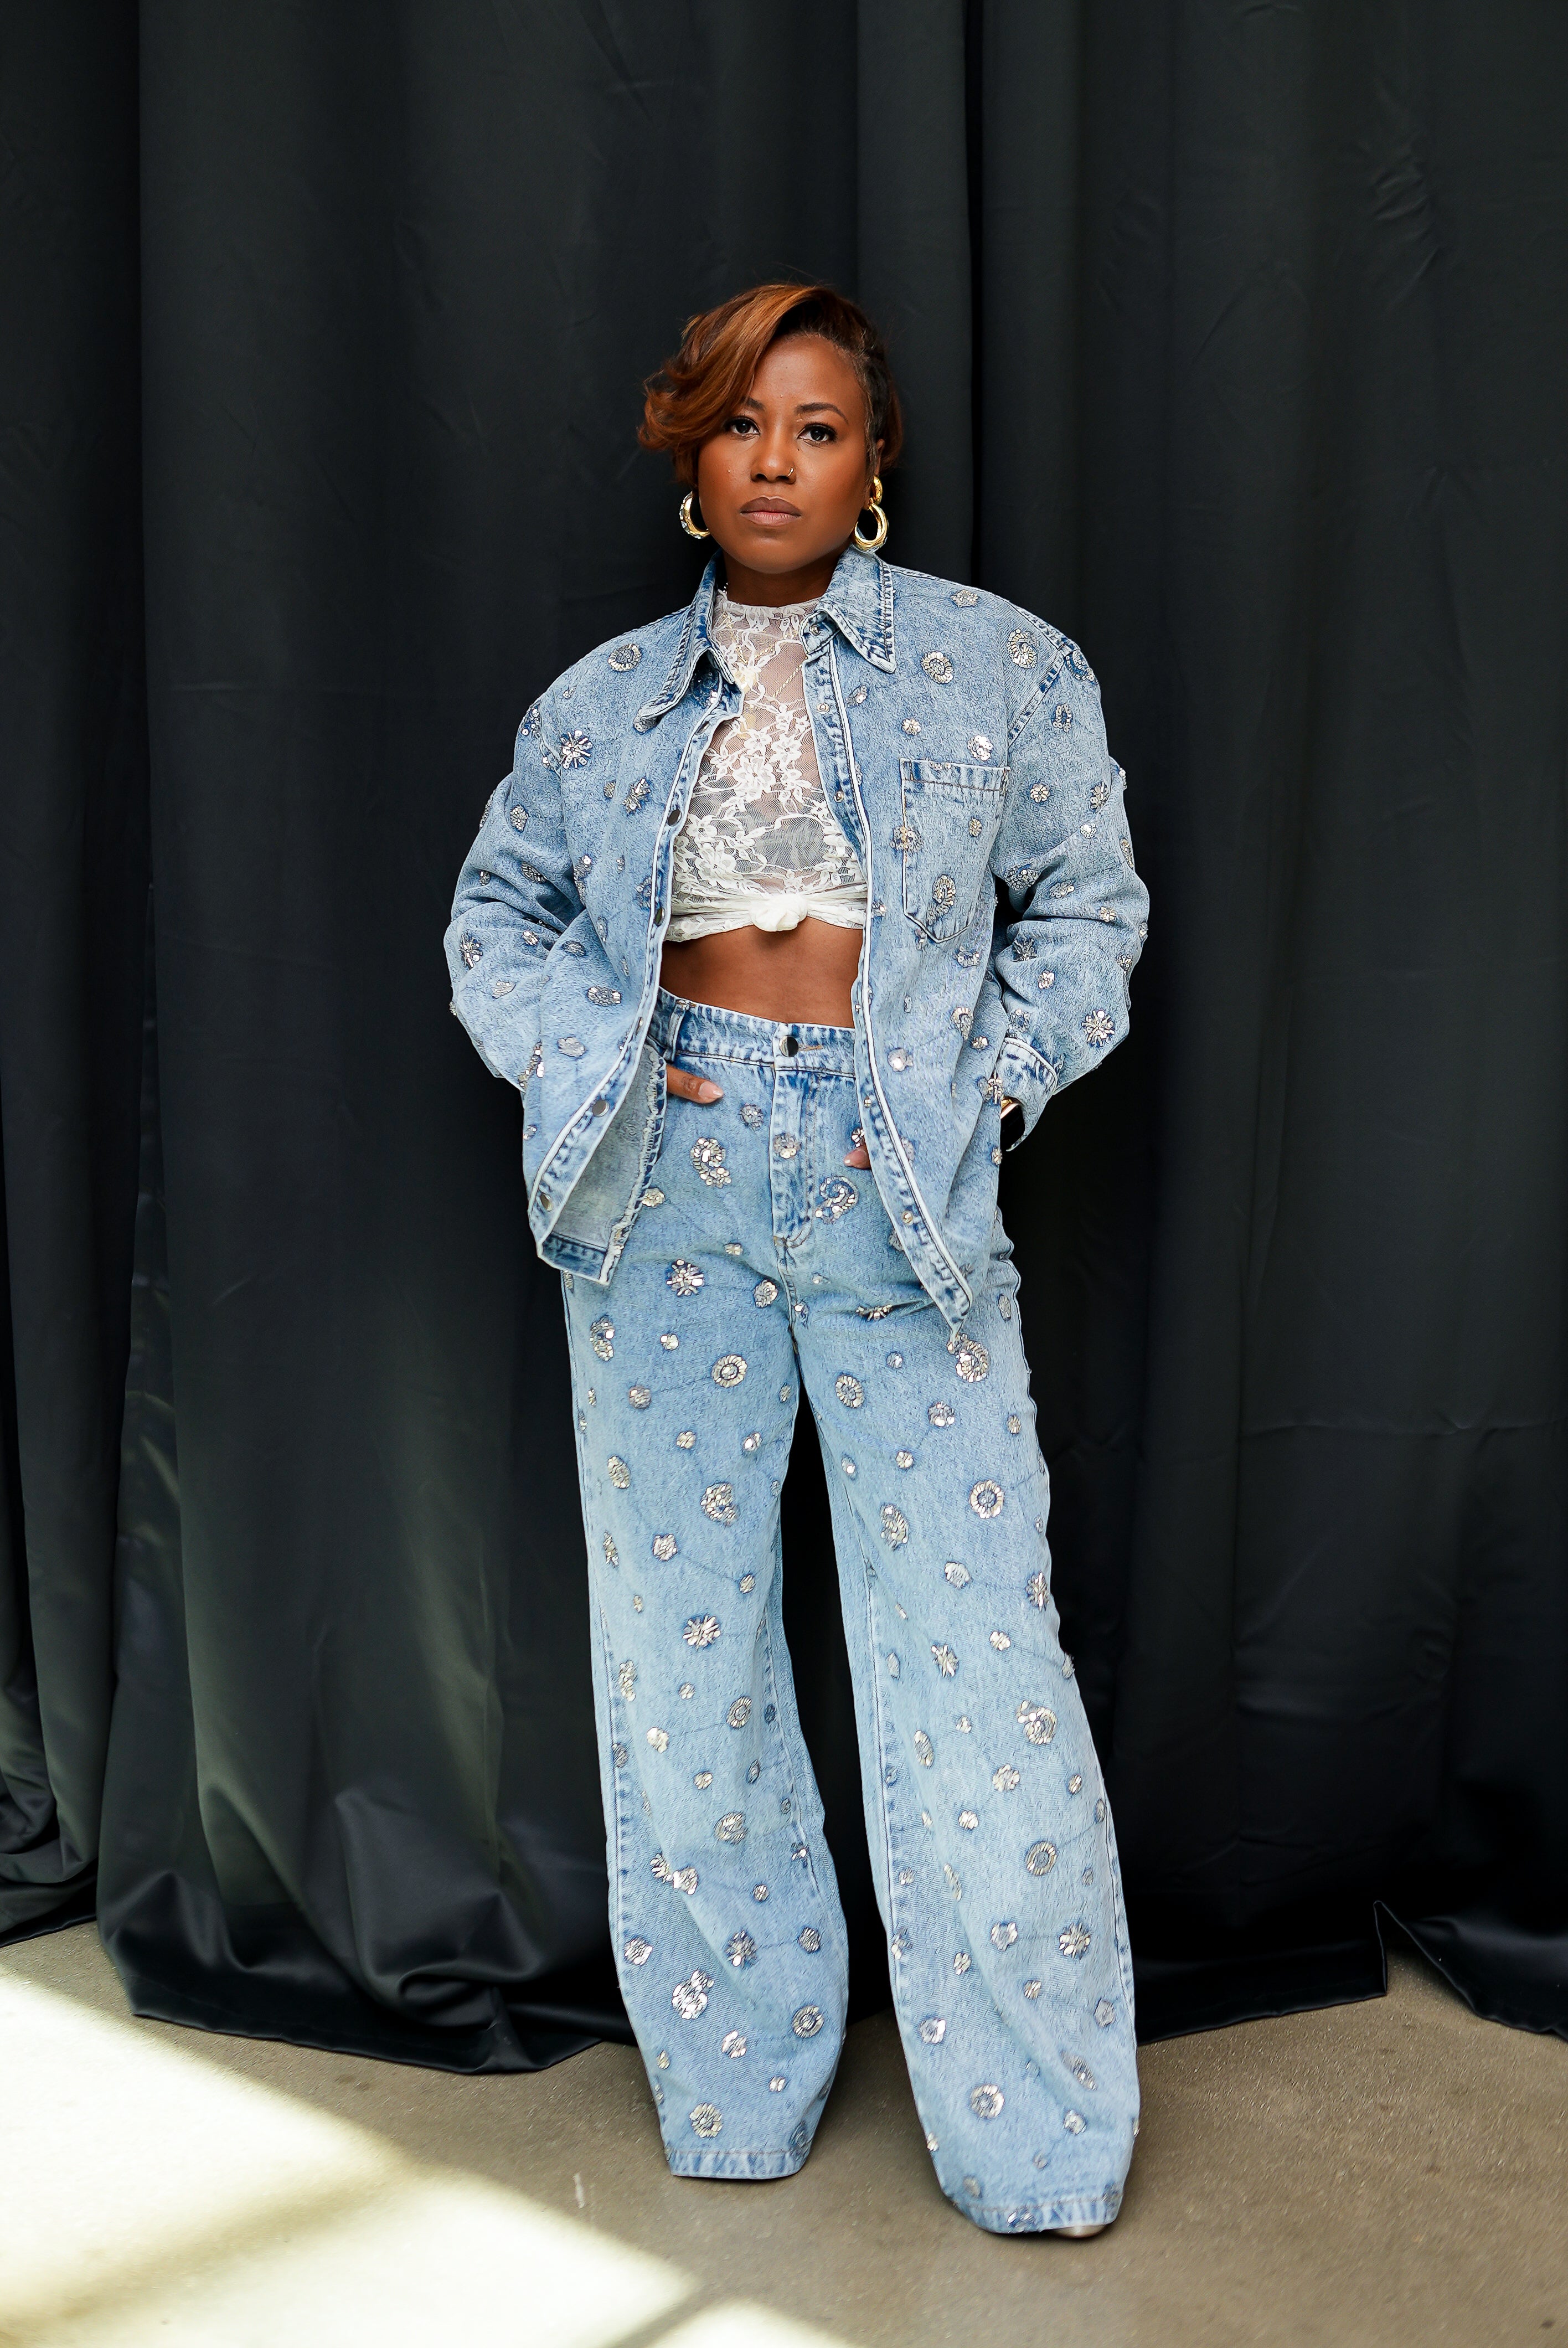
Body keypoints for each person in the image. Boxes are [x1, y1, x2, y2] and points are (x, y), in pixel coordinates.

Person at [446, 284, 1148, 2236]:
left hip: (897, 1177)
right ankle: (736, 2083)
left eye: (818, 427)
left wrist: (983, 1084)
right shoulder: (597, 703)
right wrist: (597, 1064)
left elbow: (1090, 907)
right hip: (660, 1180)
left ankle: (1037, 2140)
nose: (777, 461)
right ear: (694, 456)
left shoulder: (999, 665)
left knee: (977, 1652)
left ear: (873, 459)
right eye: (743, 424)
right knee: (684, 1652)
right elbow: (496, 917)